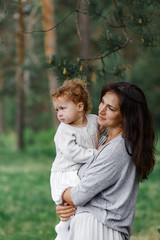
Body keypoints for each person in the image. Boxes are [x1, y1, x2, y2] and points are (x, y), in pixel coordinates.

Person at [56, 81, 156, 240]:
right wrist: (65, 206)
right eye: (102, 102)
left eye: (111, 108)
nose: (101, 110)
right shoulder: (102, 142)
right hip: (88, 227)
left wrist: (61, 193)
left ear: (126, 116)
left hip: (100, 230)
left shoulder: (118, 148)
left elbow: (79, 194)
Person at [50, 79, 105, 240]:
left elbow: (106, 132)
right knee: (70, 210)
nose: (59, 113)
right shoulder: (64, 131)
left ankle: (73, 233)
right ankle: (63, 234)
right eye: (57, 109)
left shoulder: (94, 120)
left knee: (78, 210)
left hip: (79, 171)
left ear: (80, 107)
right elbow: (73, 153)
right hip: (65, 173)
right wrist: (96, 153)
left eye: (63, 108)